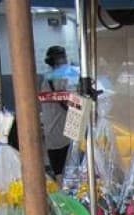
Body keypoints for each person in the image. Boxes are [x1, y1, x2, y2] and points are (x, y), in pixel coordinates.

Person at [40, 45, 77, 183]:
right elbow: (69, 102)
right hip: (64, 128)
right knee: (68, 167)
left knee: (58, 170)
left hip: (51, 129)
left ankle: (60, 184)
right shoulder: (62, 77)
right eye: (63, 57)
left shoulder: (46, 79)